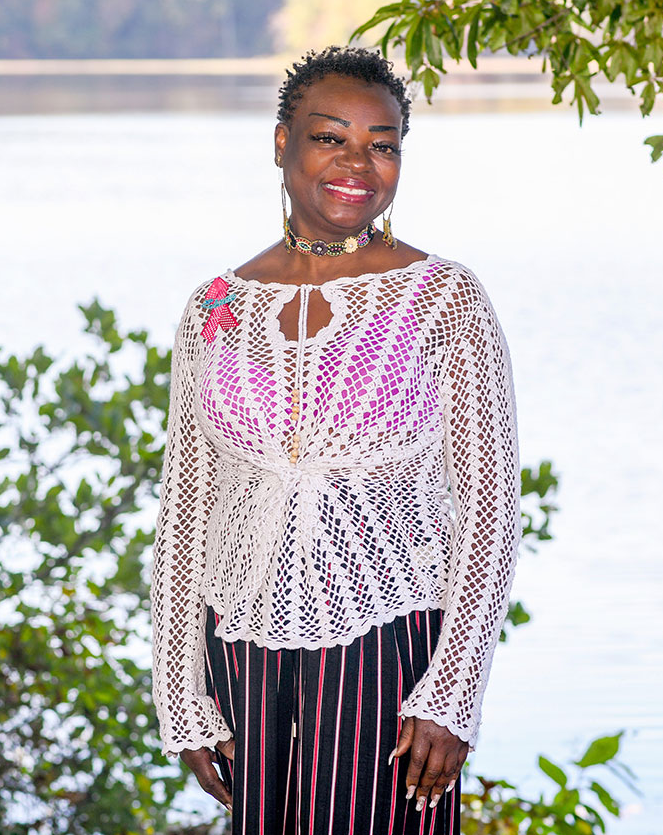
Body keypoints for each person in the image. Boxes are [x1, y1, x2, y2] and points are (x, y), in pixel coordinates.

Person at [148, 46, 520, 835]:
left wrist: (451, 691)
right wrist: (182, 693)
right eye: (330, 138)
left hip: (389, 657)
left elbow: (489, 512)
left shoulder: (443, 299)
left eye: (382, 144)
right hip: (243, 658)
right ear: (282, 143)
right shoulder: (215, 306)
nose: (359, 163)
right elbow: (186, 513)